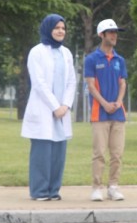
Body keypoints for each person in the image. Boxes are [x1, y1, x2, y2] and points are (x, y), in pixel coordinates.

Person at [21, 14, 77, 201]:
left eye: (63, 28)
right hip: (45, 109)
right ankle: (39, 191)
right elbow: (39, 83)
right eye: (56, 28)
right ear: (48, 29)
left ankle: (54, 190)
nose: (61, 31)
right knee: (42, 152)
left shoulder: (66, 53)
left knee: (58, 152)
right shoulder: (37, 52)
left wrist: (66, 105)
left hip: (62, 110)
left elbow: (71, 81)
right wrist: (55, 106)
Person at [84, 19, 129, 202]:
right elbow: (91, 86)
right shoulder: (92, 59)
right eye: (110, 32)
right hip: (100, 113)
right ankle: (96, 187)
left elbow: (123, 83)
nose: (114, 35)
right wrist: (104, 103)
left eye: (116, 32)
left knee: (117, 154)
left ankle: (113, 186)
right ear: (101, 35)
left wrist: (118, 101)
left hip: (118, 113)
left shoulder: (120, 60)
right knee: (99, 153)